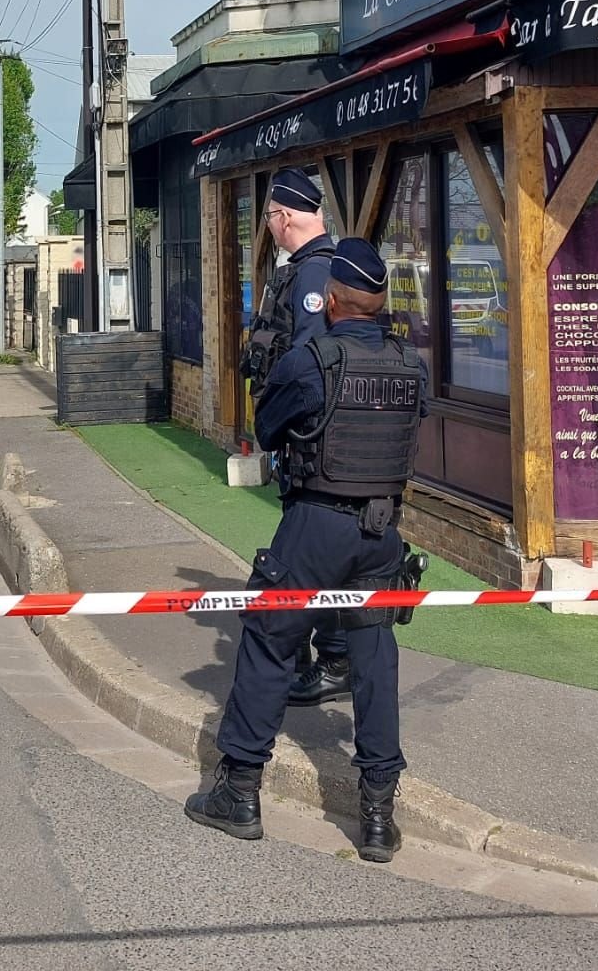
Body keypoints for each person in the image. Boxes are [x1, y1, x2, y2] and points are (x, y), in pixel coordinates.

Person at [187, 237, 428, 862]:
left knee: (270, 637)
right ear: (378, 300)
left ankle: (239, 791)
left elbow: (267, 429)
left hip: (316, 524)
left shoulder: (313, 360)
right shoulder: (410, 364)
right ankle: (377, 816)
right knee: (375, 659)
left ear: (337, 298)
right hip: (382, 530)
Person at [239, 168, 353, 706]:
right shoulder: (310, 269)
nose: (271, 228)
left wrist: (284, 426)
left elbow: (310, 366)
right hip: (312, 436)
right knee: (313, 547)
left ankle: (331, 657)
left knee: (310, 550)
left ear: (284, 217)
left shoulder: (314, 274)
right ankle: (321, 649)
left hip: (313, 435)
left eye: (270, 219)